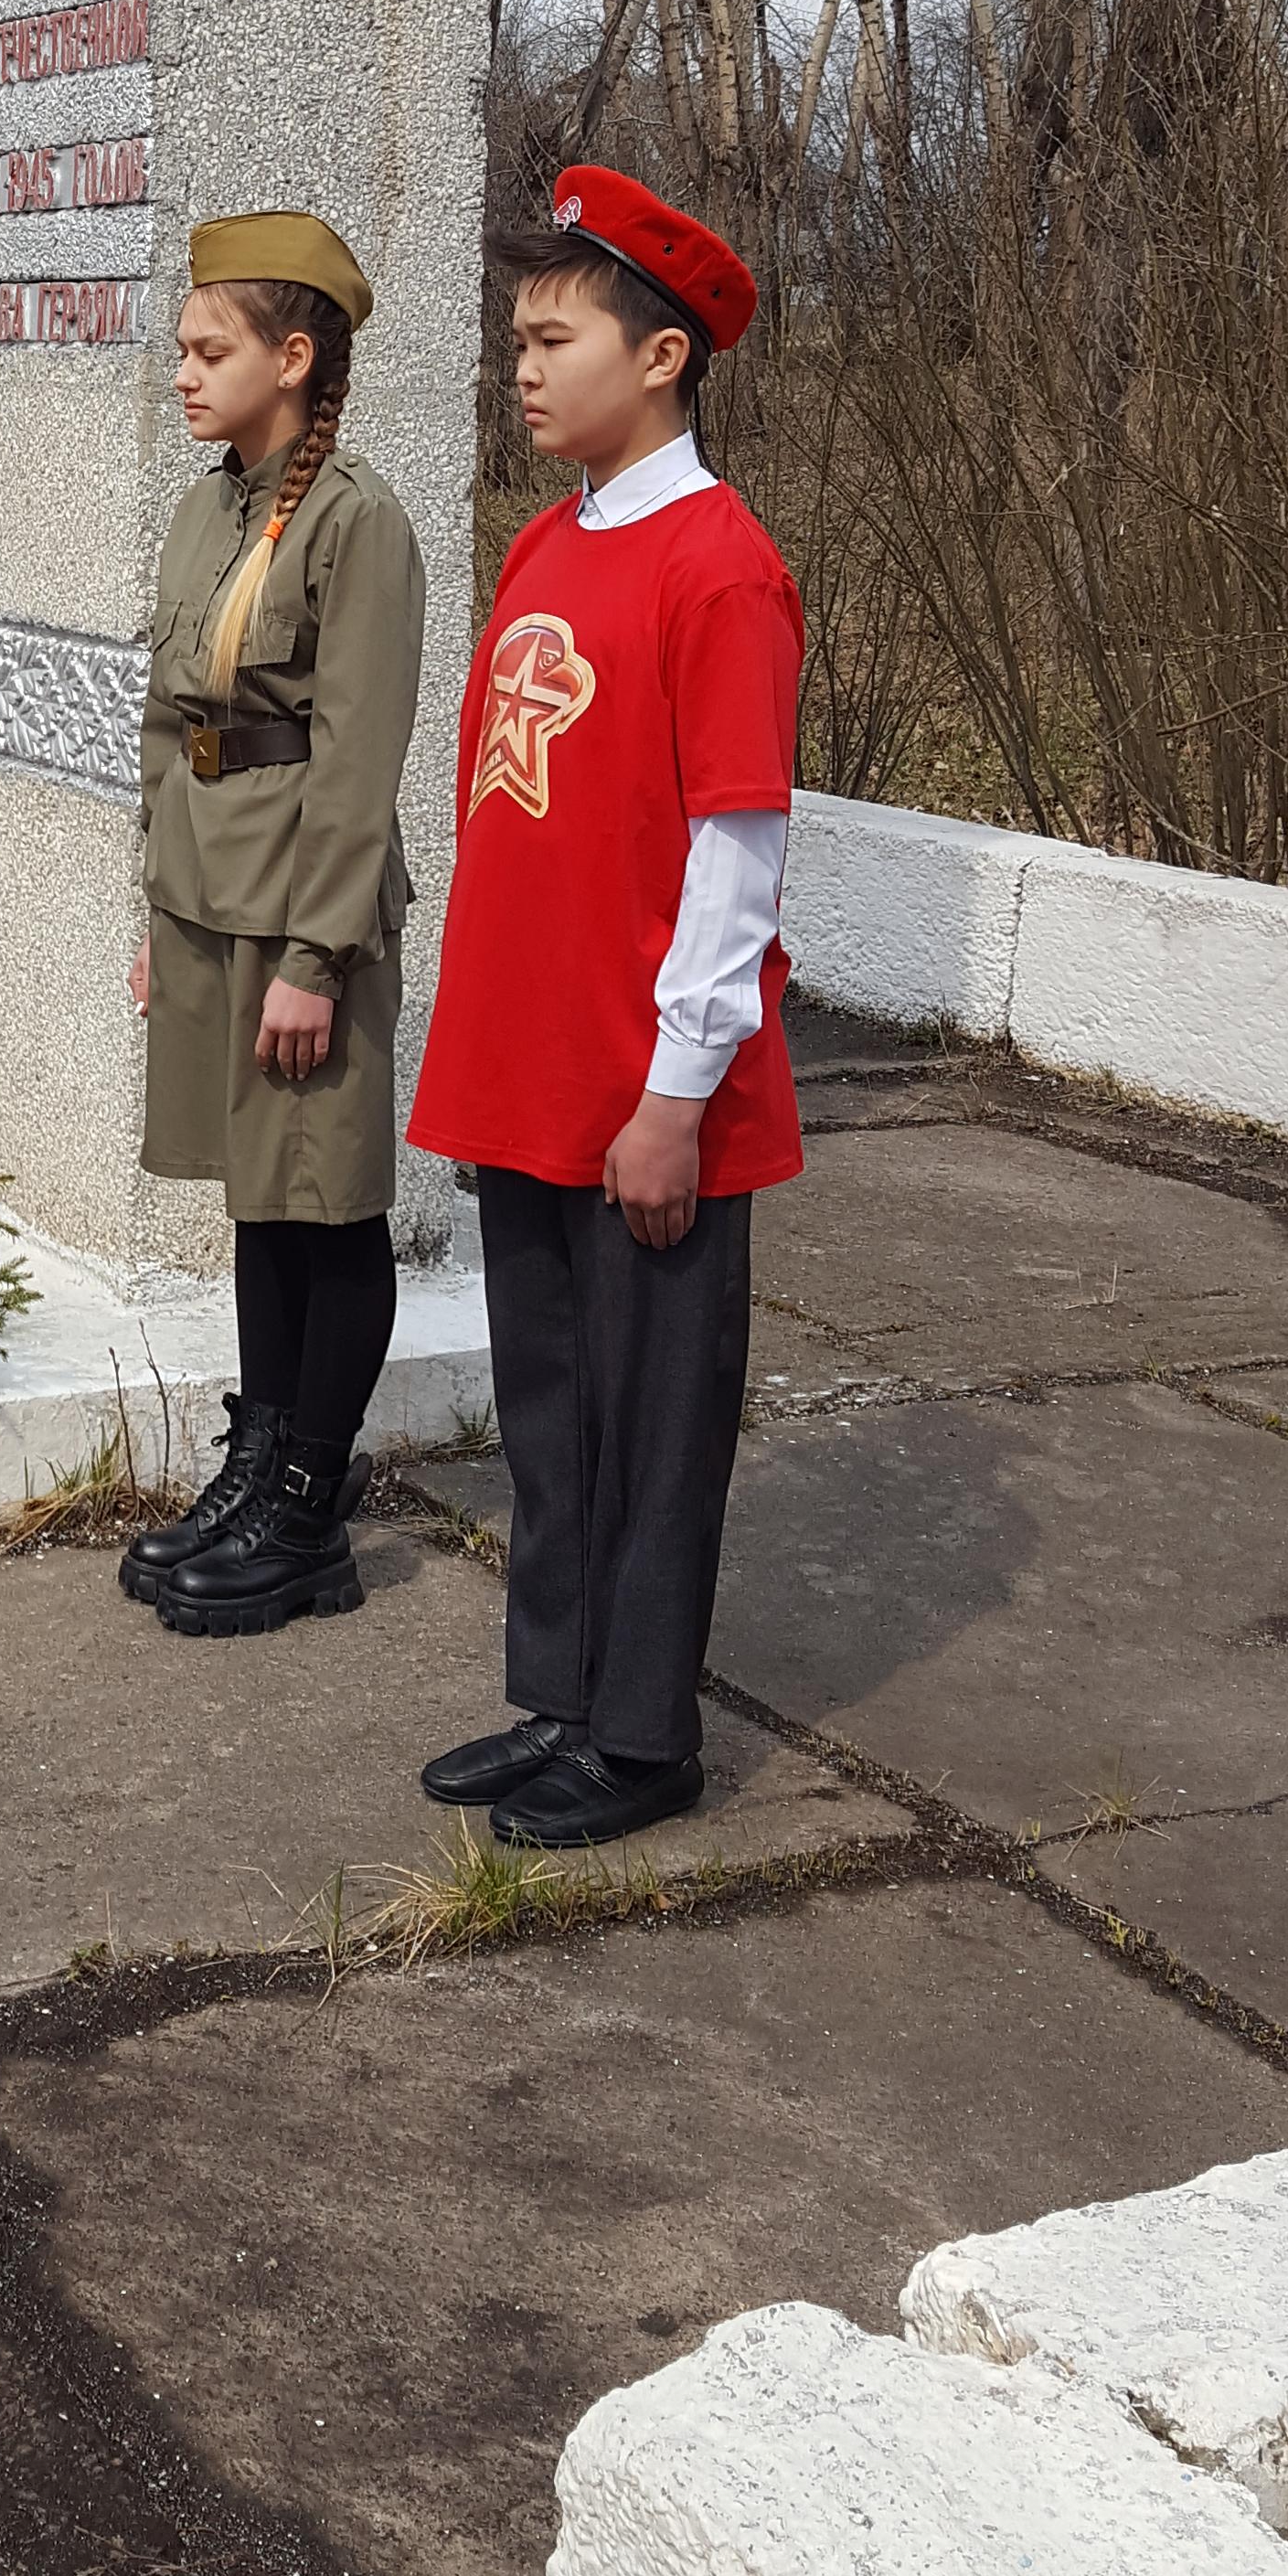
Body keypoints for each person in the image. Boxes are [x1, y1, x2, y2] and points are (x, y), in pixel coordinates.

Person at [410, 166, 804, 1849]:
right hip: (525, 1057)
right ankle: (557, 1694)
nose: (519, 364)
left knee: (651, 1424)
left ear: (656, 358)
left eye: (550, 336)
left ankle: (643, 1737)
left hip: (641, 1083)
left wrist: (673, 1091)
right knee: (552, 1407)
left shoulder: (719, 570)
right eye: (514, 336)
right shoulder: (548, 539)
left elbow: (734, 855)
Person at [121, 214, 427, 1636]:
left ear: (292, 358)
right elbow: (170, 725)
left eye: (208, 348)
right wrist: (158, 911)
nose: (181, 371)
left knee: (328, 1196)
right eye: (184, 346)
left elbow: (359, 764)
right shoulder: (210, 507)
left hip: (306, 907)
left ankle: (311, 1502)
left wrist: (316, 958)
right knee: (261, 1195)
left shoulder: (357, 523)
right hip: (208, 895)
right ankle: (261, 1457)